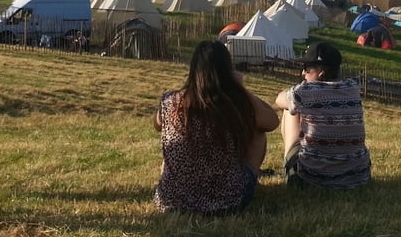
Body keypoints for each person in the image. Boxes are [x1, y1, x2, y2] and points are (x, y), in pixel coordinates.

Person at [154, 40, 278, 214]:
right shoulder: (234, 103)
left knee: (175, 139)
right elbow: (272, 122)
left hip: (171, 201)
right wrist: (240, 88)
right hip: (227, 202)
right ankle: (246, 180)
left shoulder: (170, 101)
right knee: (259, 132)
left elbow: (158, 125)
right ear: (227, 70)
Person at [275, 42, 371, 189]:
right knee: (295, 104)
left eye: (306, 68)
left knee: (290, 108)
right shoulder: (352, 87)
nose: (302, 73)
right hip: (357, 177)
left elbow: (278, 100)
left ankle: (290, 164)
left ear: (320, 72)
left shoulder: (306, 91)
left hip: (312, 179)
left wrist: (294, 94)